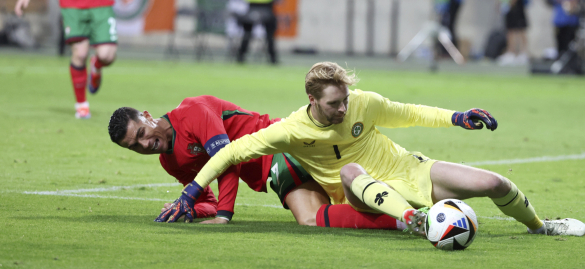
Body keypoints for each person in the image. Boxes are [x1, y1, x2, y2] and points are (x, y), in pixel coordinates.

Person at [156, 62, 585, 238]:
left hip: (408, 169)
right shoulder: (290, 130)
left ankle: (541, 226)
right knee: (348, 172)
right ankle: (415, 222)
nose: (343, 108)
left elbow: (410, 111)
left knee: (493, 182)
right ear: (313, 101)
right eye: (333, 103)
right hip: (360, 188)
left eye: (345, 99)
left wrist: (458, 116)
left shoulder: (364, 102)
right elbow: (229, 154)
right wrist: (194, 191)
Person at [108, 95, 405, 230]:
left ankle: (405, 221)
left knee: (310, 218)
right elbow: (207, 201)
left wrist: (224, 215)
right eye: (134, 147)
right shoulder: (169, 162)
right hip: (276, 163)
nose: (145, 145)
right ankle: (410, 208)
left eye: (142, 134)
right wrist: (187, 207)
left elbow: (227, 160)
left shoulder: (192, 112)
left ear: (146, 116)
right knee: (348, 200)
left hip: (279, 149)